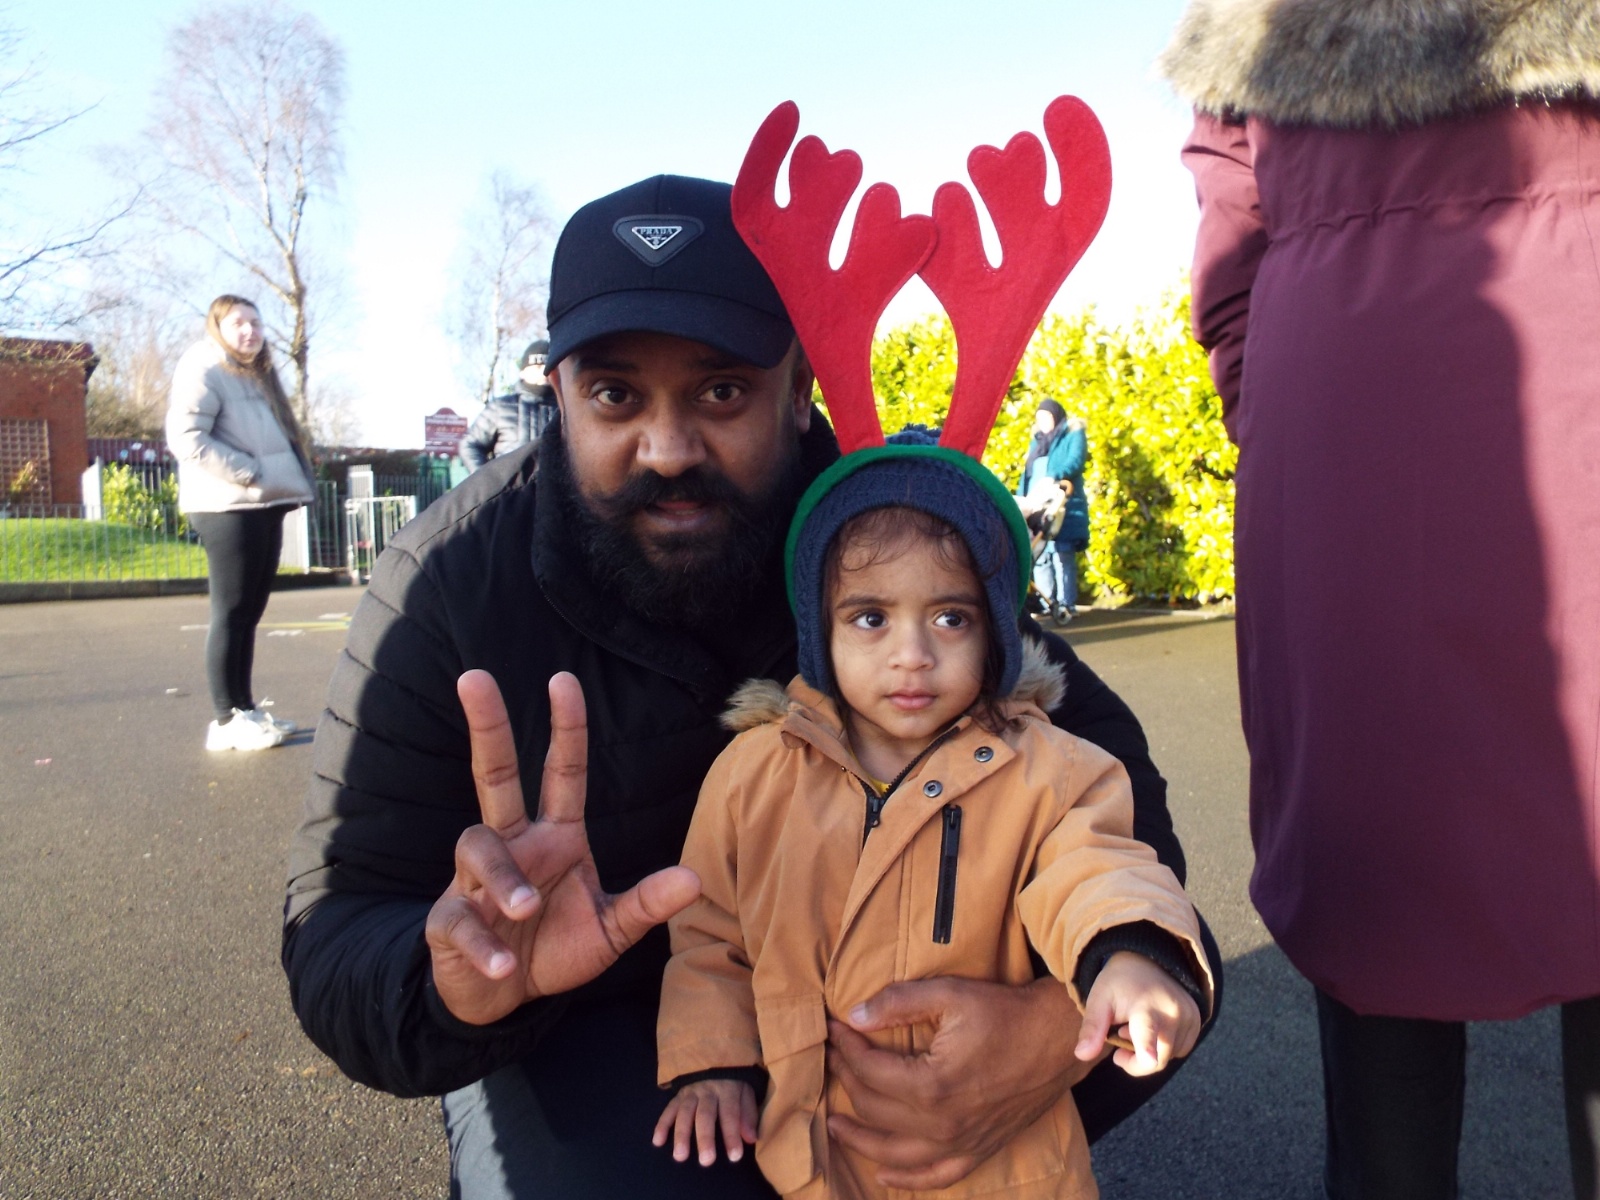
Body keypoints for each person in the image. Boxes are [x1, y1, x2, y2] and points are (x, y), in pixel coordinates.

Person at [283, 173, 1217, 1198]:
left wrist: (1050, 1031)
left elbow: (1120, 827)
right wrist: (461, 984)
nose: (668, 448)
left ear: (797, 389)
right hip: (573, 1012)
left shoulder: (895, 537)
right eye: (615, 395)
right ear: (558, 393)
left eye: (721, 391)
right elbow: (340, 920)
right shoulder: (446, 584)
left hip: (882, 997)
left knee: (1147, 999)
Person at [1160, 2, 1600, 1196]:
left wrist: (1271, 397)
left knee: (1375, 876)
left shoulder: (1256, 23)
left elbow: (1229, 227)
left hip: (1342, 410)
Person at [652, 430, 1213, 1197]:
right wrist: (713, 1062)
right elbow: (711, 931)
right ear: (819, 630)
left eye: (951, 618)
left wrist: (1129, 955)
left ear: (997, 633)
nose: (912, 654)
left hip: (1008, 1173)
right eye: (870, 618)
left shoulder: (1051, 770)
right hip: (814, 1163)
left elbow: (1099, 867)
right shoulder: (755, 775)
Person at [166, 294, 314, 752]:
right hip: (226, 505)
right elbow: (186, 438)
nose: (250, 330)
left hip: (261, 503)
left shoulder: (252, 372)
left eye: (256, 322)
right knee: (230, 612)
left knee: (248, 613)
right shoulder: (204, 365)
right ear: (217, 327)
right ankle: (225, 720)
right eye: (238, 323)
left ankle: (244, 710)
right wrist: (249, 472)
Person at [1015, 399, 1089, 623]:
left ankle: (1067, 602)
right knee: (1040, 554)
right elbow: (1027, 473)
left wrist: (1054, 476)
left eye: (1046, 417)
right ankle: (1047, 602)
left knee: (1062, 553)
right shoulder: (1037, 441)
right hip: (1036, 503)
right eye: (1039, 418)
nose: (1042, 422)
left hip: (1062, 501)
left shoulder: (1072, 434)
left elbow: (1075, 460)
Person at [459, 339, 558, 470]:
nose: (544, 373)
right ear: (523, 372)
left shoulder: (566, 409)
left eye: (549, 367)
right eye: (538, 367)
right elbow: (470, 445)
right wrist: (488, 480)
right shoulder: (500, 408)